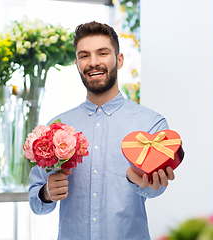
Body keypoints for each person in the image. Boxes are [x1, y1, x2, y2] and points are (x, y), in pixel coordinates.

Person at [28, 21, 175, 240]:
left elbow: (155, 190)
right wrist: (46, 193)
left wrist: (146, 183)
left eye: (103, 53)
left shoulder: (151, 125)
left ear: (119, 59)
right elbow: (36, 200)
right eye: (84, 56)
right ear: (77, 64)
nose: (93, 63)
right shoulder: (55, 128)